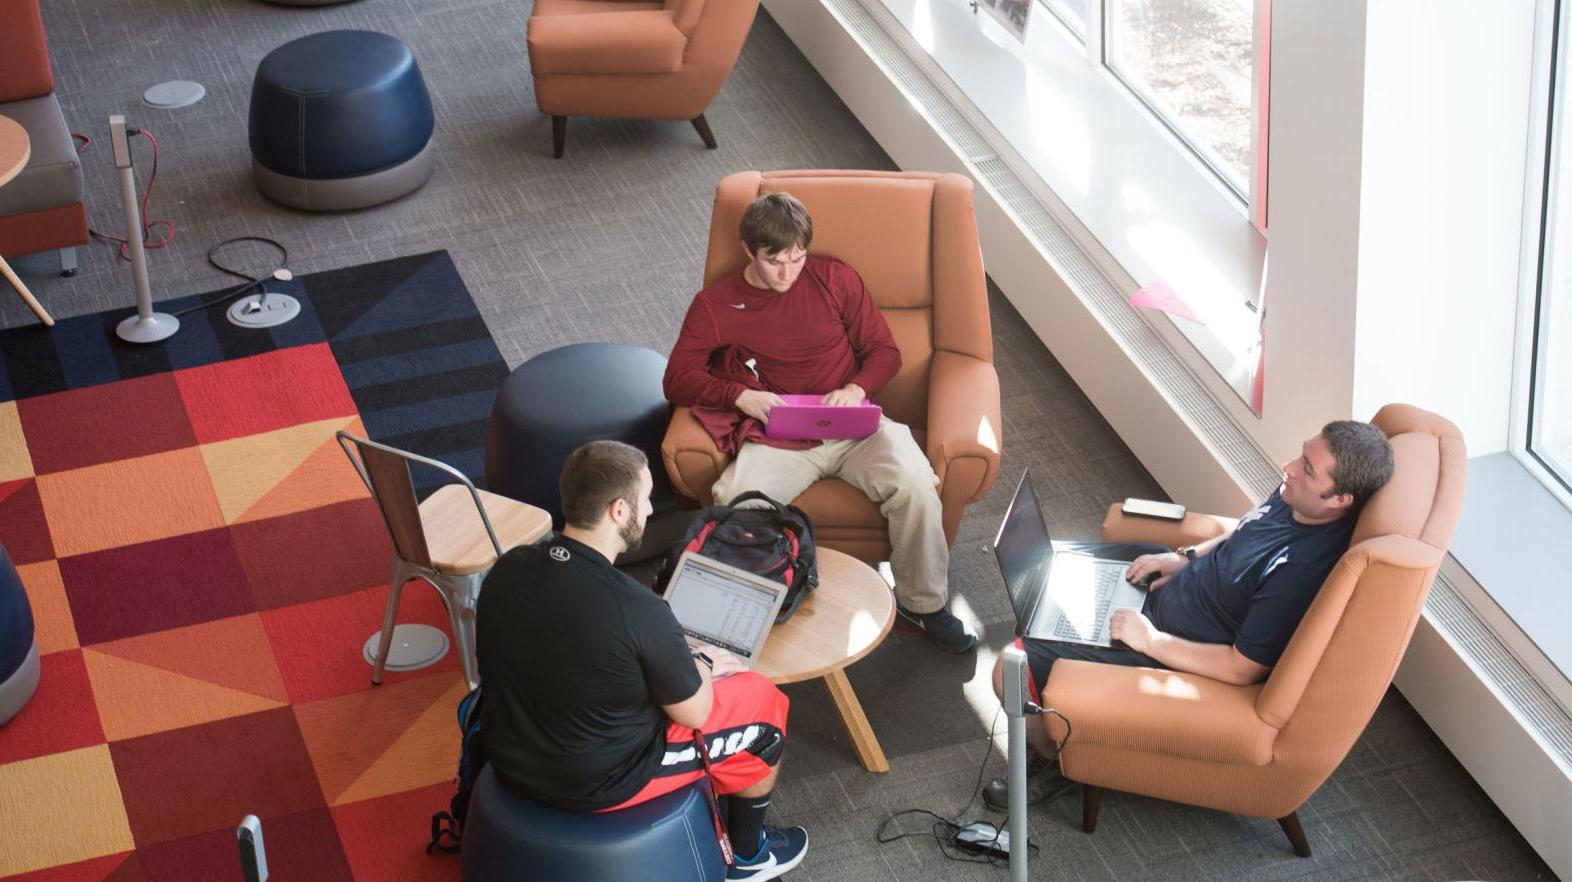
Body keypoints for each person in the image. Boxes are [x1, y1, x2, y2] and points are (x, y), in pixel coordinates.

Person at [983, 420, 1395, 809]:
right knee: (1048, 567)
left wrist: (1149, 640)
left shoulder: (1298, 572)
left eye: (1307, 469)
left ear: (1341, 499)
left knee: (1009, 667)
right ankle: (1050, 654)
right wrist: (1185, 558)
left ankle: (1058, 761)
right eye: (1299, 456)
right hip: (1171, 590)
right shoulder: (1298, 498)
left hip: (1166, 643)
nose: (1287, 468)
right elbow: (1246, 527)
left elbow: (1241, 669)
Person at [476, 440, 807, 880]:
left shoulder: (509, 567)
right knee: (762, 704)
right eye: (645, 498)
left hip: (508, 750)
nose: (649, 510)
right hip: (597, 780)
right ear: (618, 511)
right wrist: (703, 663)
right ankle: (747, 856)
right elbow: (697, 711)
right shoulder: (638, 608)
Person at [663, 192, 977, 653]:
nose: (789, 273)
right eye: (775, 262)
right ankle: (733, 617)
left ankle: (923, 606)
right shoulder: (717, 304)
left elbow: (885, 351)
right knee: (735, 502)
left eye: (797, 258)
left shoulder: (834, 278)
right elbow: (677, 378)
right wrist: (741, 395)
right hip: (782, 434)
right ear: (749, 250)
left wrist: (855, 389)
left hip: (855, 427)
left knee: (915, 485)